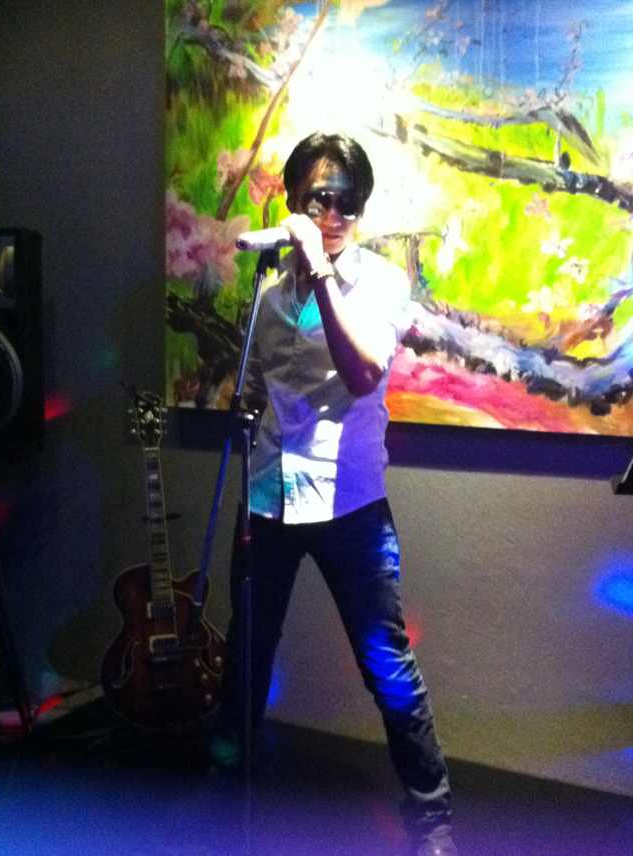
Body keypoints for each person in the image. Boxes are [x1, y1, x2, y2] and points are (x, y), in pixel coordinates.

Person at [212, 132, 456, 856]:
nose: (335, 214)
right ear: (293, 200)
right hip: (269, 496)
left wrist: (321, 271)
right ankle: (229, 804)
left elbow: (363, 371)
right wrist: (246, 406)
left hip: (350, 504)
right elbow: (263, 389)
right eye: (321, 198)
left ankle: (432, 819)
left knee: (387, 665)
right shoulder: (268, 296)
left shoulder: (378, 283)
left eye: (349, 201)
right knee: (246, 654)